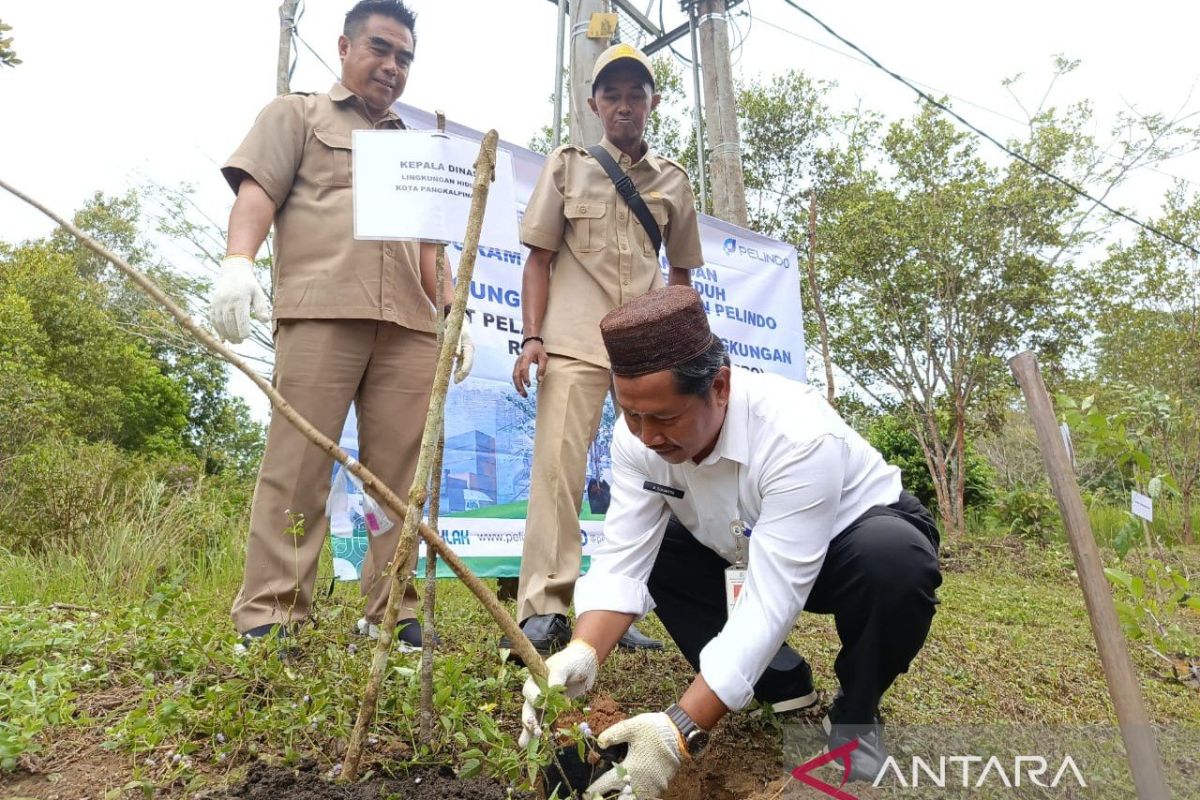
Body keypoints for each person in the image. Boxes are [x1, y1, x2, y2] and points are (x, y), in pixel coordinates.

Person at [519, 287, 943, 796]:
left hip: (849, 547)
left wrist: (677, 730)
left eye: (665, 418)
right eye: (632, 415)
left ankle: (857, 713)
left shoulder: (797, 434)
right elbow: (624, 557)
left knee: (894, 564)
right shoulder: (636, 439)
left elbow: (771, 598)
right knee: (664, 549)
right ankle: (779, 683)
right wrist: (583, 651)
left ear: (719, 386)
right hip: (737, 544)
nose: (648, 436)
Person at [209, 0, 471, 650]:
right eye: (380, 48)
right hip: (323, 311)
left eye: (404, 57)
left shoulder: (414, 147)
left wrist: (451, 313)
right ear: (345, 47)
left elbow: (429, 246)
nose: (392, 65)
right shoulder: (296, 115)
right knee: (298, 464)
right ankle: (273, 614)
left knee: (398, 480)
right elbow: (257, 192)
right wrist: (238, 262)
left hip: (408, 325)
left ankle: (391, 612)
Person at [503, 43, 705, 656]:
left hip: (647, 357)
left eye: (634, 95)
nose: (623, 106)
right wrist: (532, 338)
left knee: (650, 482)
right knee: (558, 475)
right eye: (611, 95)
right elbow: (538, 260)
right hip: (572, 344)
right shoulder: (567, 166)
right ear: (594, 104)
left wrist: (685, 351)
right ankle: (543, 608)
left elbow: (681, 278)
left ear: (653, 103)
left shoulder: (673, 181)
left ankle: (619, 604)